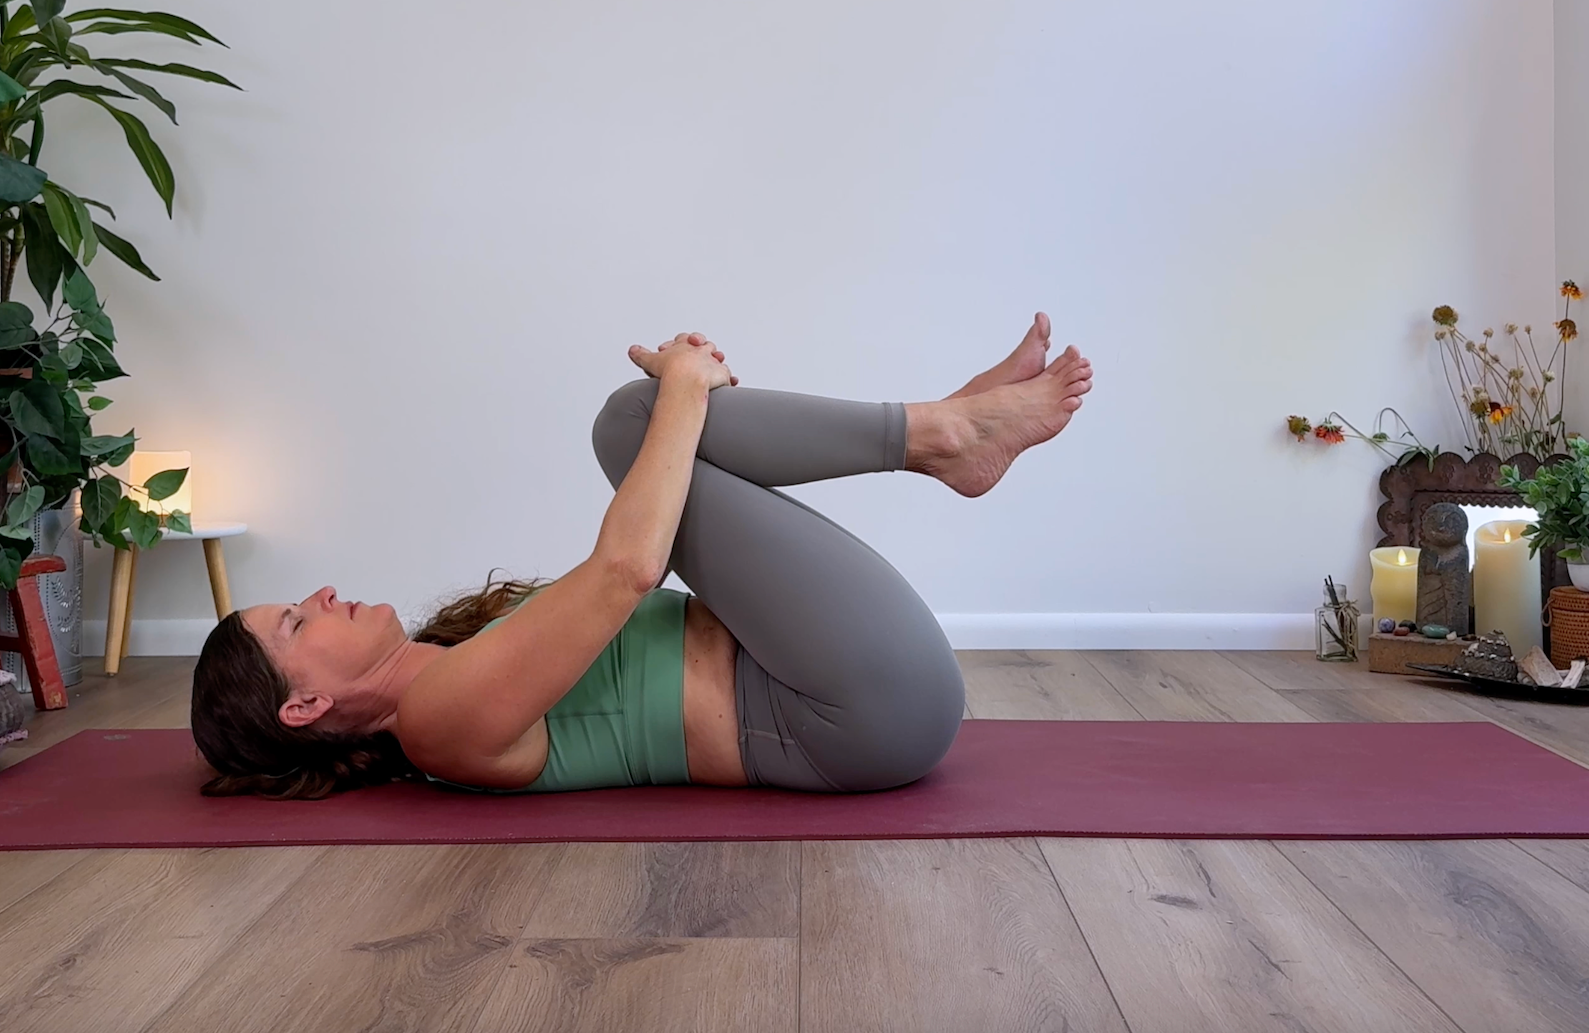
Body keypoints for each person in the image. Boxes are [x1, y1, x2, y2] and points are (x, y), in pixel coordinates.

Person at [189, 316, 1093, 798]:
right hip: (852, 715)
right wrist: (687, 384)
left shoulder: (453, 659)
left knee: (634, 417)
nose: (323, 593)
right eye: (297, 621)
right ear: (304, 705)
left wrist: (678, 396)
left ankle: (941, 431)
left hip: (835, 680)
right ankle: (941, 433)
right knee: (637, 416)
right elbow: (628, 571)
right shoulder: (435, 725)